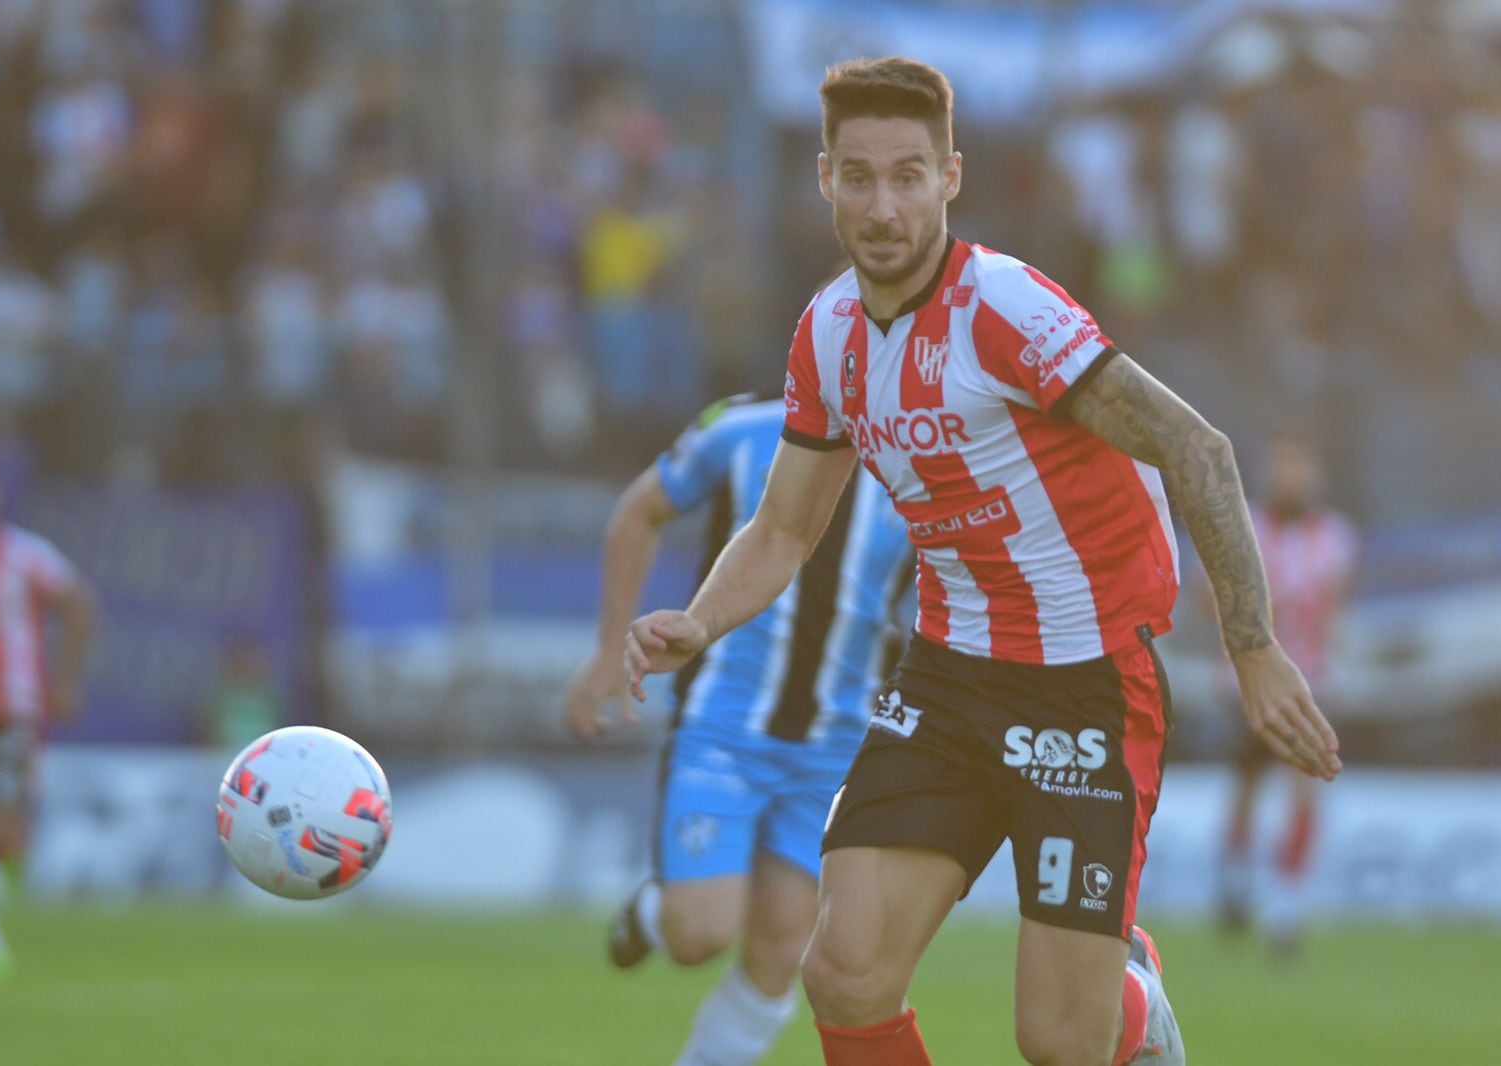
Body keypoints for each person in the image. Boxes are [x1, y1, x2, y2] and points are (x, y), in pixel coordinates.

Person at [625, 57, 1343, 1066]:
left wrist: (1254, 646)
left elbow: (1197, 448)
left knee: (1058, 1043)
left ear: (950, 177)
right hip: (950, 678)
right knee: (844, 970)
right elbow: (784, 529)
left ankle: (1131, 999)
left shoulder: (1005, 312)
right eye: (860, 176)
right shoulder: (826, 337)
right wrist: (698, 621)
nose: (884, 205)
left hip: (1087, 683)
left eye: (908, 176)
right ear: (825, 179)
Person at [563, 393, 912, 1066]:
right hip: (724, 727)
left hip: (835, 745)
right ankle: (654, 913)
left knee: (784, 945)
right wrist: (611, 649)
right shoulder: (743, 428)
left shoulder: (926, 456)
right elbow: (641, 509)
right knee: (700, 932)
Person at [1216, 432, 1357, 958]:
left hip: (1310, 682)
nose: (1293, 479)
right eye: (1284, 468)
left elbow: (1337, 608)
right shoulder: (1247, 524)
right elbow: (1211, 598)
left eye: (1301, 468)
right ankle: (1234, 882)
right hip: (1248, 682)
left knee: (1303, 788)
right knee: (1247, 788)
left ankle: (1284, 906)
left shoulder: (1337, 537)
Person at [0, 461, 97, 979]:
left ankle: (3, 888)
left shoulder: (26, 555)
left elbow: (79, 605)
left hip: (12, 711)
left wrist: (67, 679)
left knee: (3, 830)